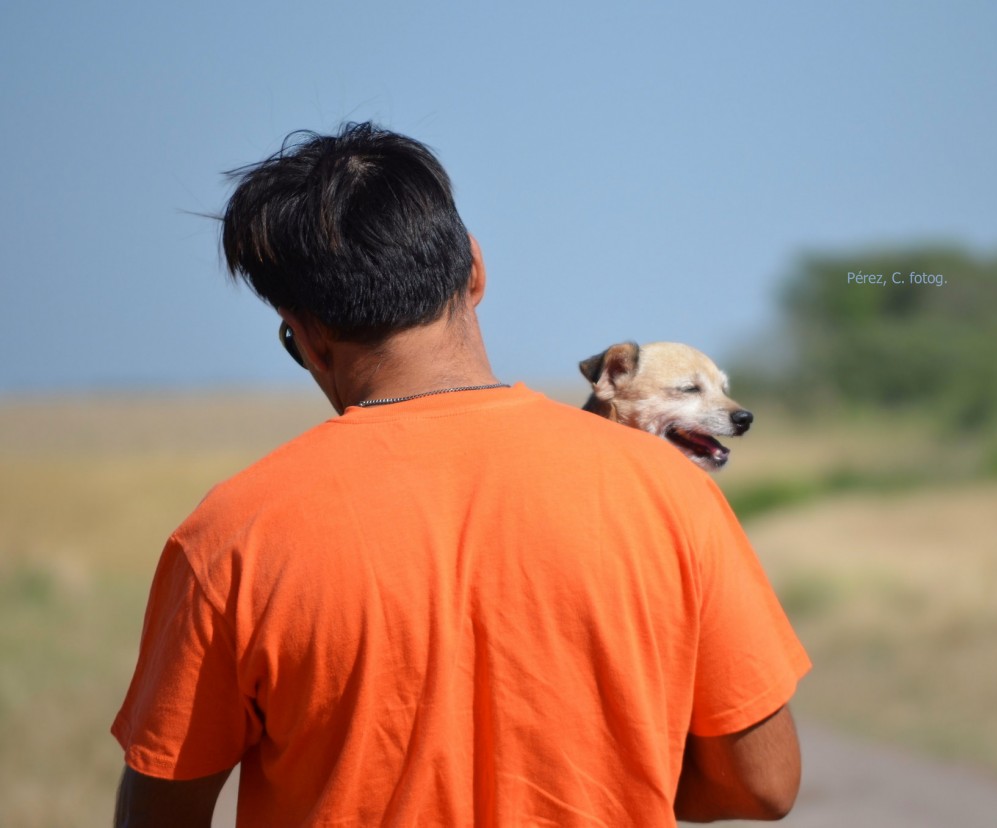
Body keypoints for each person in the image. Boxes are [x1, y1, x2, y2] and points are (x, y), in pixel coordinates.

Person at [111, 122, 810, 827]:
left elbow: (161, 813)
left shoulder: (231, 535)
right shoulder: (671, 494)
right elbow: (765, 785)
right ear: (475, 271)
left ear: (307, 333)